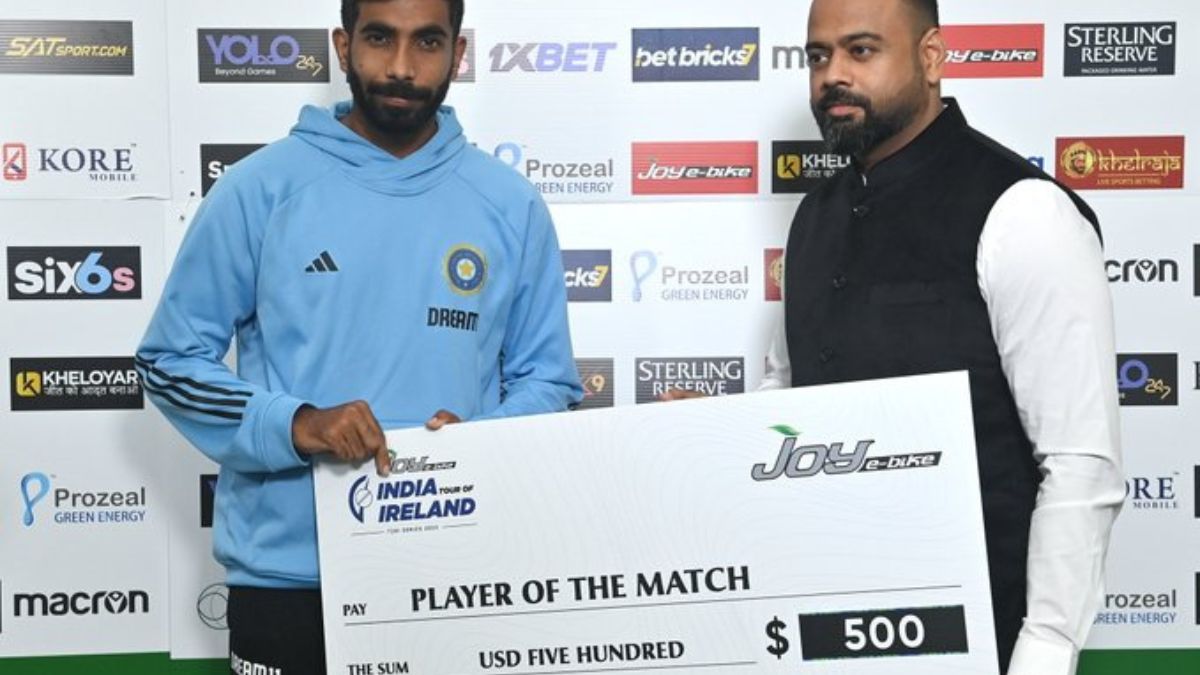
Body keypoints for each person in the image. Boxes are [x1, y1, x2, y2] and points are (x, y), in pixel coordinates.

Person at [135, 1, 581, 673]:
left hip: (460, 573)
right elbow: (169, 360)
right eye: (380, 38)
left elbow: (548, 380)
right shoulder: (260, 189)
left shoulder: (508, 203)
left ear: (458, 52)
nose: (402, 67)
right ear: (343, 45)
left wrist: (481, 444)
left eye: (427, 42)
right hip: (289, 583)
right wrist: (297, 424)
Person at [762, 0, 1124, 673]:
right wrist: (712, 436)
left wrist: (1045, 651)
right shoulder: (811, 218)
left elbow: (1080, 463)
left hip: (984, 638)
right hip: (823, 630)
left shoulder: (1023, 212)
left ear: (931, 57)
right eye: (818, 56)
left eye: (861, 51)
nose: (831, 75)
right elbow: (787, 408)